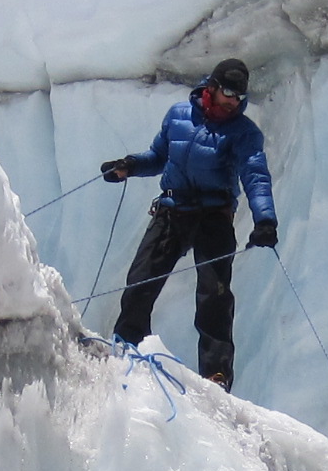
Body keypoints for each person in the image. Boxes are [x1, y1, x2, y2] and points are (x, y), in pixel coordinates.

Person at [100, 58, 277, 390]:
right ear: (211, 86)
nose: (232, 101)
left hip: (214, 217)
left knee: (215, 295)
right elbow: (158, 157)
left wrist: (265, 219)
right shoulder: (178, 116)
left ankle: (216, 374)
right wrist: (128, 166)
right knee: (141, 280)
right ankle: (126, 348)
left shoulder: (244, 133)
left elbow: (255, 175)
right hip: (172, 209)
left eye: (238, 97)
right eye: (227, 92)